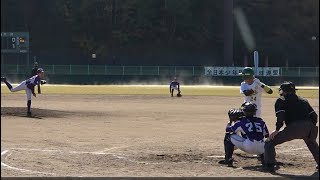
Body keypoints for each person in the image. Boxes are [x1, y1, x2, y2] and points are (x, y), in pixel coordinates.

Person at [263, 81, 319, 172]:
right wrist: (311, 128)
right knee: (312, 143)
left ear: (284, 91)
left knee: (269, 142)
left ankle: (269, 165)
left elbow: (281, 116)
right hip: (309, 127)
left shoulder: (281, 100)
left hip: (294, 127)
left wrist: (277, 129)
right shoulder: (303, 100)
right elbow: (314, 116)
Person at [218, 102, 270, 167]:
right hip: (262, 149)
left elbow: (228, 129)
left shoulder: (240, 122)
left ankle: (228, 159)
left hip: (249, 147)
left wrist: (230, 121)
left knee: (228, 135)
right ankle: (264, 159)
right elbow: (267, 135)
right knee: (264, 140)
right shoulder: (261, 121)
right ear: (255, 112)